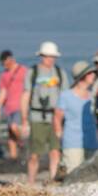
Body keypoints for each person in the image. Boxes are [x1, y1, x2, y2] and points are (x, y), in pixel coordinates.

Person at [21, 41, 68, 184]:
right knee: (35, 153)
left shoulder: (60, 73)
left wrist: (63, 118)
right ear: (42, 56)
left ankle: (53, 180)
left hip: (55, 117)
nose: (51, 59)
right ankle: (31, 181)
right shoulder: (33, 72)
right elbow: (26, 95)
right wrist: (24, 120)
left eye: (53, 56)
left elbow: (65, 97)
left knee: (55, 151)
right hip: (36, 116)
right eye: (48, 56)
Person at [55, 61, 98, 172]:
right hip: (72, 142)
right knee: (73, 175)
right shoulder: (66, 96)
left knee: (91, 176)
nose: (93, 75)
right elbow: (57, 118)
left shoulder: (92, 96)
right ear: (82, 76)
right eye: (90, 73)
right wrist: (60, 137)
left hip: (91, 141)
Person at [0, 50, 28, 160]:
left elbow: (30, 88)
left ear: (10, 59)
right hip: (8, 107)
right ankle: (14, 158)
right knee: (10, 134)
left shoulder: (24, 71)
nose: (3, 64)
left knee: (14, 127)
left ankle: (22, 142)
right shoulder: (4, 75)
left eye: (4, 62)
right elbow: (3, 92)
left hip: (21, 105)